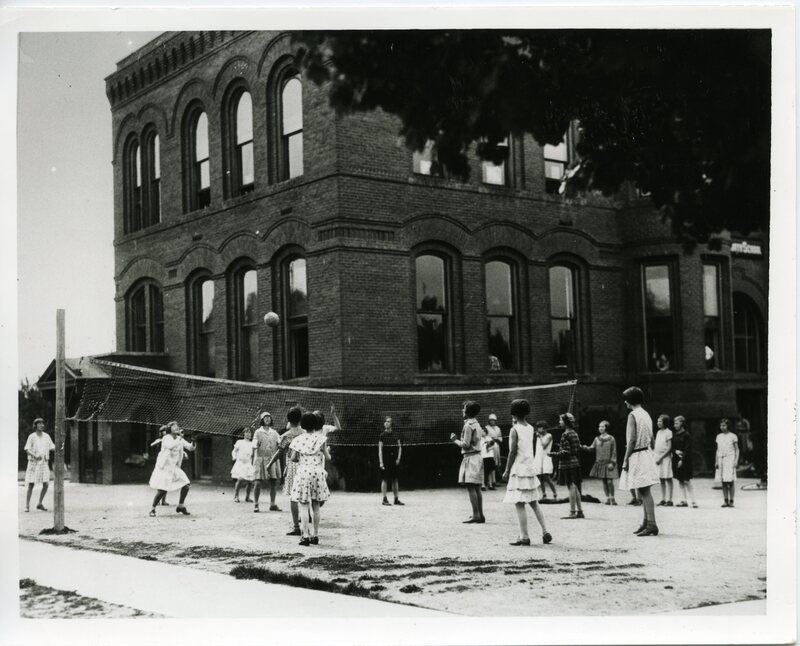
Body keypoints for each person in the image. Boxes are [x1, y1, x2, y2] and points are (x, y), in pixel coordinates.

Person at [503, 399, 552, 546]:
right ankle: (545, 531)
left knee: (519, 503)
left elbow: (512, 452)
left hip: (519, 468)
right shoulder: (531, 428)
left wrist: (506, 470)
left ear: (513, 413)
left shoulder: (514, 429)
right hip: (530, 468)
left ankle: (524, 536)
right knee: (533, 502)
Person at [618, 387, 660, 536]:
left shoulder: (632, 415)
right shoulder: (646, 414)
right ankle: (646, 522)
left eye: (626, 399)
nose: (625, 402)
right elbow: (652, 438)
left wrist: (625, 459)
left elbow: (631, 439)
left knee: (644, 491)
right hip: (646, 453)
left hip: (637, 454)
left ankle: (652, 524)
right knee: (642, 490)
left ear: (630, 400)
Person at [289, 411, 331, 546]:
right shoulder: (321, 439)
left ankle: (305, 536)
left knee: (303, 506)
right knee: (316, 506)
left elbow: (293, 458)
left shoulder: (298, 440)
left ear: (303, 425)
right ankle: (316, 535)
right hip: (318, 473)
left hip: (304, 473)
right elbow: (328, 457)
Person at [266, 406, 305, 535]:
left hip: (293, 466)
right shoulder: (306, 433)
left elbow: (280, 452)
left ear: (288, 419)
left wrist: (270, 463)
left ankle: (296, 527)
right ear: (301, 419)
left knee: (294, 497)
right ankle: (305, 523)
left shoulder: (286, 436)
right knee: (305, 496)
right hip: (305, 465)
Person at [148, 421, 195, 516]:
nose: (177, 427)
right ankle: (152, 509)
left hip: (174, 467)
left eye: (177, 426)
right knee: (162, 490)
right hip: (164, 467)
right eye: (174, 426)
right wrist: (180, 438)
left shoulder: (179, 438)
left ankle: (181, 506)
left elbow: (190, 448)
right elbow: (170, 446)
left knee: (186, 484)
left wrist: (194, 441)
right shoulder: (166, 438)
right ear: (170, 429)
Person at [450, 400, 485, 523]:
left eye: (464, 409)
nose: (462, 410)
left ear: (467, 412)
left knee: (471, 487)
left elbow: (465, 444)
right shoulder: (477, 424)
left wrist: (454, 440)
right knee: (477, 488)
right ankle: (480, 514)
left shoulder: (468, 425)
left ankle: (476, 515)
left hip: (471, 457)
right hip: (478, 457)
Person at [549, 412, 584, 519]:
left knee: (571, 487)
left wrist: (553, 454)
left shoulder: (565, 434)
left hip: (568, 464)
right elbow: (576, 448)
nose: (559, 422)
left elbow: (566, 452)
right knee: (575, 487)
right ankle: (580, 511)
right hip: (575, 463)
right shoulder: (574, 433)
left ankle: (572, 512)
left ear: (566, 422)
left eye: (561, 420)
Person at [582, 420, 618, 505]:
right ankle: (607, 498)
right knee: (604, 481)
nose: (600, 428)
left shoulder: (611, 438)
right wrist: (583, 447)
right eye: (599, 426)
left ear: (606, 427)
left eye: (602, 426)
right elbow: (591, 448)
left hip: (609, 463)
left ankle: (612, 497)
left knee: (609, 481)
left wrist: (612, 462)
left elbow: (614, 451)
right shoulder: (597, 439)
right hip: (600, 463)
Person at [24, 418, 55, 512]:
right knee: (31, 484)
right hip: (34, 463)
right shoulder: (32, 436)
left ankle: (39, 503)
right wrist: (35, 455)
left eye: (43, 423)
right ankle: (27, 505)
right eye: (40, 424)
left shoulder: (46, 436)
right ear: (35, 425)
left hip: (44, 463)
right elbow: (27, 449)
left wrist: (59, 446)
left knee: (46, 484)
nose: (42, 425)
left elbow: (52, 446)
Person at [252, 413, 281, 512]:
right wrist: (256, 444)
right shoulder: (257, 432)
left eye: (269, 417)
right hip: (260, 459)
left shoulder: (274, 432)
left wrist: (283, 443)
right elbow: (254, 443)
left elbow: (280, 441)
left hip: (271, 459)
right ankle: (256, 504)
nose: (268, 419)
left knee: (273, 481)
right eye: (265, 418)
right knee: (257, 482)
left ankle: (272, 504)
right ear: (262, 420)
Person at [671, 415, 697, 508]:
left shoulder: (686, 435)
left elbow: (688, 449)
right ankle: (683, 500)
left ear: (682, 424)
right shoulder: (675, 435)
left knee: (687, 481)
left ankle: (693, 501)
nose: (675, 425)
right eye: (674, 423)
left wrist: (682, 460)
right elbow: (672, 447)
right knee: (680, 480)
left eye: (677, 423)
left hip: (685, 461)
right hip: (676, 460)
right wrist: (675, 451)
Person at [378, 416, 404, 505]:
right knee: (384, 479)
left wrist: (398, 458)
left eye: (389, 421)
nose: (387, 423)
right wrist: (381, 462)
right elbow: (380, 450)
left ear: (391, 423)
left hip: (394, 460)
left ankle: (396, 499)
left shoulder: (396, 435)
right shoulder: (382, 436)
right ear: (384, 423)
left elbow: (400, 447)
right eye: (386, 421)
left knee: (395, 480)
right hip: (385, 460)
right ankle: (384, 499)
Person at [715, 418, 739, 508]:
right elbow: (717, 450)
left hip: (730, 459)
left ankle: (732, 500)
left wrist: (736, 460)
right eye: (721, 425)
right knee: (723, 481)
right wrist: (716, 461)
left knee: (730, 481)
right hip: (721, 459)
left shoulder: (733, 436)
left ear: (728, 426)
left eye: (724, 425)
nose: (722, 427)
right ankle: (725, 500)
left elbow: (737, 449)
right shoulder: (719, 436)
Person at [533, 421, 557, 499]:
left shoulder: (549, 435)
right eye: (538, 427)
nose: (538, 429)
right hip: (539, 458)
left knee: (547, 477)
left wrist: (539, 437)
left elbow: (544, 445)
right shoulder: (538, 437)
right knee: (539, 477)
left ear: (544, 428)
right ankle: (544, 494)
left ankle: (555, 493)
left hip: (546, 457)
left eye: (540, 427)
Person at [230, 427, 255, 503]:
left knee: (250, 481)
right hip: (240, 463)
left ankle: (247, 497)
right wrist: (234, 457)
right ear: (243, 434)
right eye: (246, 432)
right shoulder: (239, 442)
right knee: (240, 479)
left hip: (248, 463)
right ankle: (236, 496)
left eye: (249, 432)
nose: (248, 434)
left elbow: (253, 454)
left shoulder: (252, 444)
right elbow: (234, 451)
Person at [654, 414, 674, 506]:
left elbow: (669, 447)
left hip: (665, 458)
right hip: (658, 458)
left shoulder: (668, 432)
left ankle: (670, 499)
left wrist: (661, 457)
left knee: (668, 478)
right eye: (657, 421)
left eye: (660, 421)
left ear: (665, 422)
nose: (658, 423)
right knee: (661, 478)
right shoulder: (658, 432)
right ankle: (663, 498)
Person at [149, 427, 171, 506]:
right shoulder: (160, 439)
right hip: (160, 462)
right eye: (163, 432)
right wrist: (159, 441)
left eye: (166, 431)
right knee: (160, 481)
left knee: (166, 482)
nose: (165, 433)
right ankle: (158, 500)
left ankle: (163, 500)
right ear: (161, 433)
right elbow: (151, 444)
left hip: (167, 462)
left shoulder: (169, 440)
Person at [485, 413, 504, 482]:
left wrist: (497, 439)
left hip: (496, 446)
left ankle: (495, 480)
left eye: (493, 420)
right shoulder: (487, 428)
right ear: (489, 421)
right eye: (491, 420)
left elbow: (500, 438)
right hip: (489, 447)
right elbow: (485, 438)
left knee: (496, 463)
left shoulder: (498, 428)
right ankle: (489, 481)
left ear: (495, 421)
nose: (492, 421)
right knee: (490, 463)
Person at [480, 426, 497, 491]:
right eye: (481, 431)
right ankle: (483, 485)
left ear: (485, 432)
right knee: (483, 472)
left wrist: (489, 448)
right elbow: (480, 447)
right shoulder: (479, 439)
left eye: (483, 431)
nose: (482, 432)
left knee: (490, 471)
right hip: (483, 457)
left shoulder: (489, 438)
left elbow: (494, 446)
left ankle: (490, 485)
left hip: (490, 456)